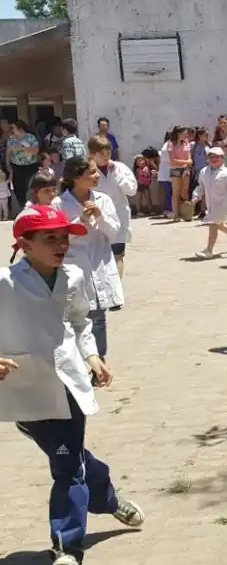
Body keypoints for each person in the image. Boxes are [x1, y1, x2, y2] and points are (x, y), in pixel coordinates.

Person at [0, 205, 144, 565]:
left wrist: (92, 356)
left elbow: (80, 322)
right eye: (49, 238)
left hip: (67, 384)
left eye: (64, 238)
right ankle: (107, 498)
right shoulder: (5, 282)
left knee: (66, 466)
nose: (61, 245)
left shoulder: (74, 276)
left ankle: (67, 547)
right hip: (24, 388)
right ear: (24, 244)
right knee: (74, 460)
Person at [58, 157, 124, 359]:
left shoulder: (103, 200)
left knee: (97, 317)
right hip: (73, 265)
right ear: (78, 177)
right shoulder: (59, 204)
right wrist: (82, 220)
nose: (97, 176)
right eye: (92, 172)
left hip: (99, 263)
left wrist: (100, 216)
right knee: (74, 318)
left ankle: (99, 362)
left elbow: (113, 231)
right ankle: (78, 361)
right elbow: (60, 238)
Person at [88, 136, 137, 278]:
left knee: (117, 256)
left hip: (118, 218)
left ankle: (117, 289)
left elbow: (132, 190)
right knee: (98, 258)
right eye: (101, 154)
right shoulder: (87, 171)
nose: (105, 157)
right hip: (96, 220)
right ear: (92, 154)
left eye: (108, 153)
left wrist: (117, 175)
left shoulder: (120, 168)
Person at [191, 147, 227, 260]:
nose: (214, 159)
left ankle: (209, 250)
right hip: (211, 205)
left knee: (213, 224)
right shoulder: (204, 171)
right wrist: (195, 197)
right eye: (211, 157)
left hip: (223, 205)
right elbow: (201, 187)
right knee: (218, 224)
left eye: (217, 157)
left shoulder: (226, 173)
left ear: (222, 158)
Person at [6, 120, 41, 211]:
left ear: (20, 128)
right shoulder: (11, 138)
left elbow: (35, 151)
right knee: (18, 186)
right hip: (16, 166)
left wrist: (20, 149)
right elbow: (8, 152)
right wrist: (8, 165)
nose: (12, 129)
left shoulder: (30, 137)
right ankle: (22, 206)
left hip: (30, 166)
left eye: (13, 127)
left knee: (30, 185)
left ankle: (31, 205)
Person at [164, 126, 193, 221]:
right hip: (175, 169)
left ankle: (185, 213)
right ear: (178, 133)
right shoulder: (170, 144)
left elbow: (189, 159)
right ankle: (175, 214)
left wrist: (187, 166)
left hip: (185, 169)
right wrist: (186, 162)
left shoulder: (186, 143)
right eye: (185, 133)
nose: (186, 135)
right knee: (176, 192)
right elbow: (172, 161)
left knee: (185, 191)